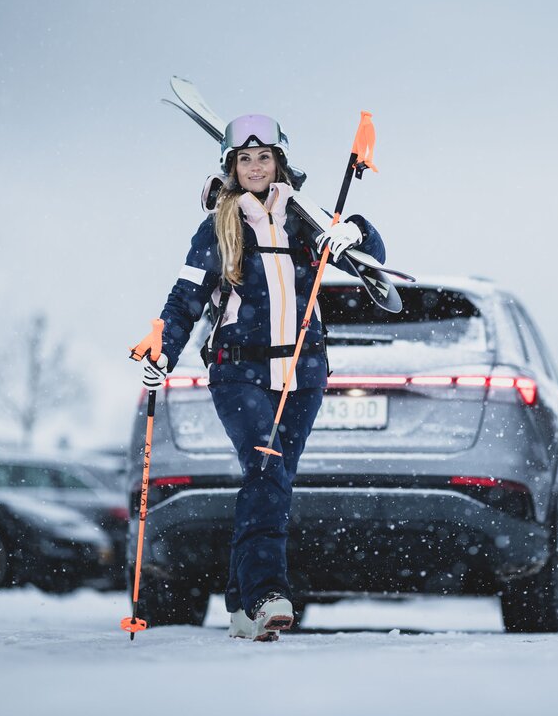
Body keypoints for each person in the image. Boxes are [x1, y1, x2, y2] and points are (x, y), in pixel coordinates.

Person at [142, 114, 385, 641]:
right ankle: (266, 594)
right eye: (245, 159)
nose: (255, 167)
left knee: (268, 481)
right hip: (239, 372)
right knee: (267, 470)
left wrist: (355, 230)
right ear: (232, 168)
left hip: (303, 372)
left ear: (279, 162)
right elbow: (185, 299)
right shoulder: (217, 227)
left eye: (264, 157)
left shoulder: (303, 219)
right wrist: (162, 348)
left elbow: (372, 262)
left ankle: (240, 606)